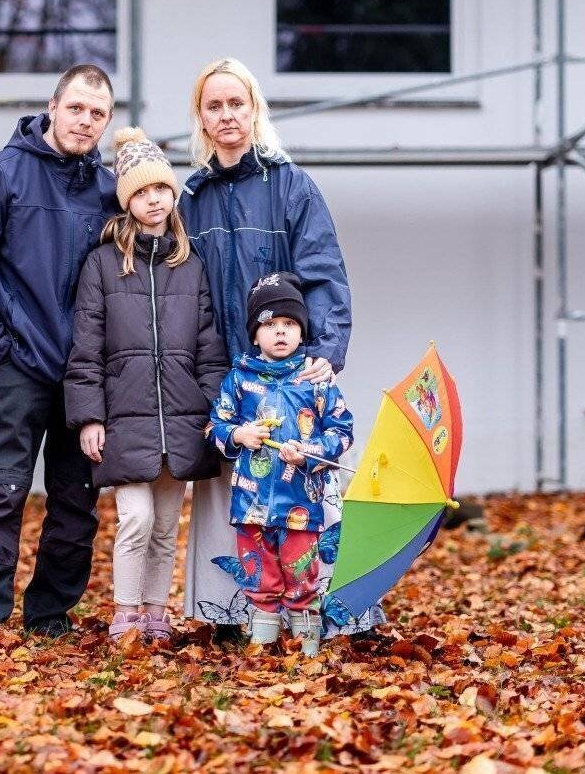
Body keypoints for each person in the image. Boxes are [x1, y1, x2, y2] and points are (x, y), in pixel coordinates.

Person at [176, 57, 380, 644]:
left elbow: (323, 271)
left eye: (236, 103)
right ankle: (233, 612)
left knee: (306, 482)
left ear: (255, 109)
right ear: (201, 118)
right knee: (230, 491)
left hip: (293, 375)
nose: (226, 115)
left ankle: (329, 612)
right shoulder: (193, 198)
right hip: (228, 372)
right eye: (214, 106)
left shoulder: (292, 186)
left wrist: (327, 349)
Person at [0, 64, 118, 649]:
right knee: (1, 491)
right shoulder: (2, 174)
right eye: (76, 108)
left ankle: (50, 612)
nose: (85, 121)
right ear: (53, 107)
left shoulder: (108, 191)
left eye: (97, 113)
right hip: (18, 365)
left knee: (77, 501)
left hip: (84, 374)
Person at [64, 128, 228, 641]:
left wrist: (214, 410)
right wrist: (89, 417)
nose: (153, 199)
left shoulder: (191, 265)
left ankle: (156, 614)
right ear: (126, 201)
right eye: (140, 192)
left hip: (183, 419)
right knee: (134, 518)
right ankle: (125, 614)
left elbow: (209, 348)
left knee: (164, 524)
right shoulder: (102, 264)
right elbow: (86, 348)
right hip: (125, 418)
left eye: (160, 188)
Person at [207, 272, 353, 656]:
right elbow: (215, 426)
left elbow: (342, 432)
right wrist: (239, 435)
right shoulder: (239, 379)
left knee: (301, 571)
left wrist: (310, 450)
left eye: (290, 323)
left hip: (301, 503)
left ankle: (306, 643)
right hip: (251, 505)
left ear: (302, 332)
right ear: (255, 335)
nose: (281, 332)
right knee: (259, 574)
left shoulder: (316, 379)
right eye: (270, 324)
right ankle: (263, 641)